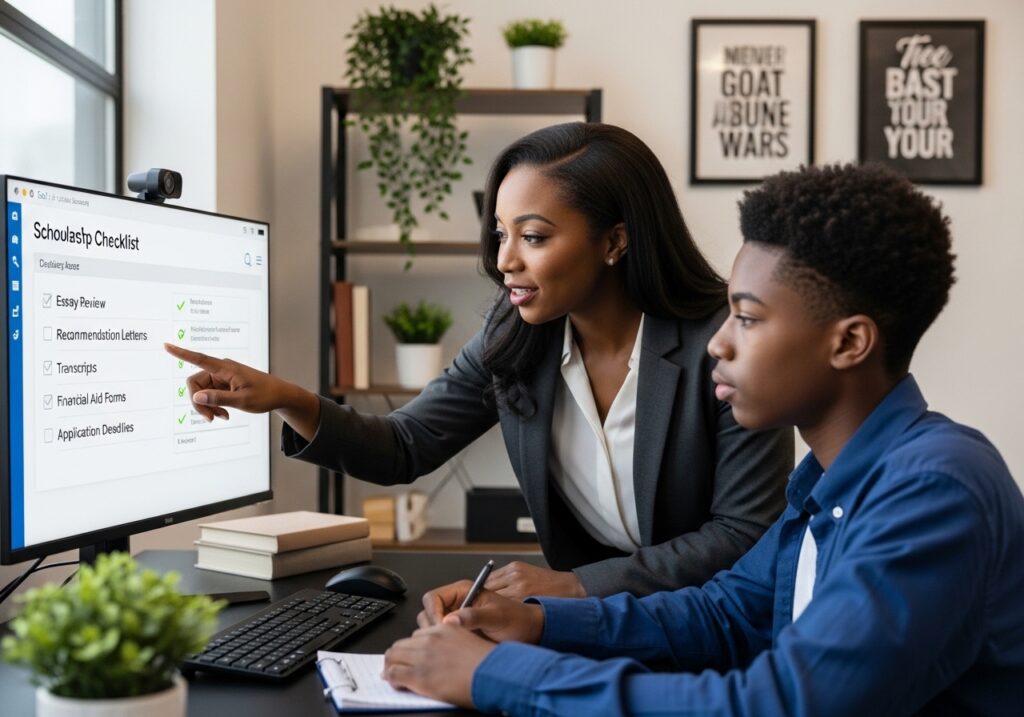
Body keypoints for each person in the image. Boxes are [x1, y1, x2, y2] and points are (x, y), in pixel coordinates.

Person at [380, 163, 1024, 715]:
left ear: (849, 342)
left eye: (746, 318)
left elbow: (775, 704)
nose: (717, 343)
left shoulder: (933, 489)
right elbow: (726, 613)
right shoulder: (831, 482)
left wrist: (491, 674)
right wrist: (538, 620)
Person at [165, 122, 792, 599]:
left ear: (614, 242)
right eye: (500, 233)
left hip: (715, 619)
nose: (504, 260)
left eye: (535, 236)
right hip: (594, 622)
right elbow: (405, 445)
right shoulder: (518, 332)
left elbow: (743, 533)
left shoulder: (723, 340)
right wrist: (287, 397)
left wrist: (573, 587)